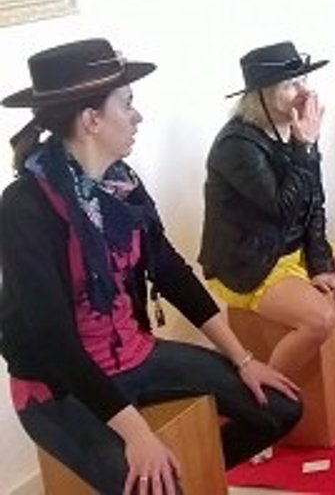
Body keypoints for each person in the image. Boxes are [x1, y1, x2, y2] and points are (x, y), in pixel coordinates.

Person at [0, 39, 301, 494]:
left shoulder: (122, 183)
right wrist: (137, 435)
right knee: (152, 486)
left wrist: (243, 360)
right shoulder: (26, 204)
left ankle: (190, 475)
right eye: (127, 104)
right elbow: (53, 340)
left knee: (279, 408)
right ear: (91, 120)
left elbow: (170, 271)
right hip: (60, 385)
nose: (137, 116)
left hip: (133, 353)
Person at [200, 42, 335, 382]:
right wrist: (305, 147)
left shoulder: (296, 130)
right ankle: (266, 393)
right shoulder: (237, 145)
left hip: (292, 247)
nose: (304, 92)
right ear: (262, 96)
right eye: (290, 85)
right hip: (250, 261)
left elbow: (314, 202)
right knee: (320, 318)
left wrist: (321, 266)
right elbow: (280, 211)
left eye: (303, 81)